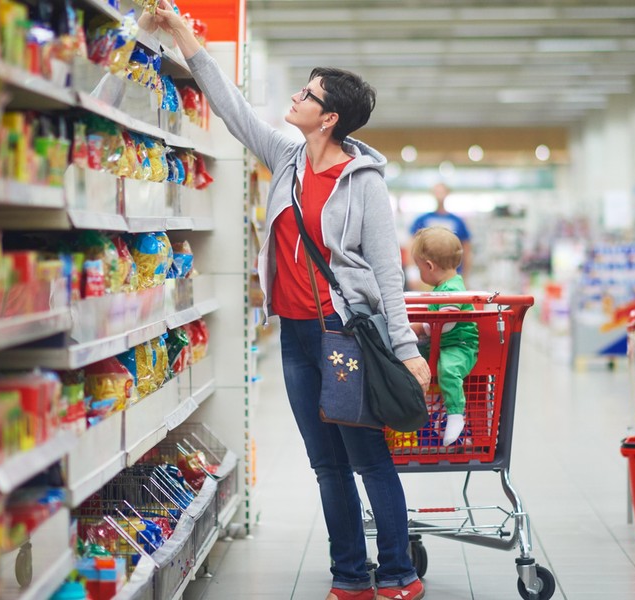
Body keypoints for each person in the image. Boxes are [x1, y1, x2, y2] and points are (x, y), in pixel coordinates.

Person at [143, 3, 430, 599]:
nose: (295, 97)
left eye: (307, 94)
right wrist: (181, 34)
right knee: (325, 464)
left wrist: (406, 349)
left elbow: (387, 271)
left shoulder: (367, 185)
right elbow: (231, 108)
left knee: (366, 457)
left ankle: (400, 572)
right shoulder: (286, 159)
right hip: (298, 338)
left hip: (345, 335)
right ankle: (350, 575)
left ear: (328, 118)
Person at [409, 228, 478, 446]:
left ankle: (456, 416)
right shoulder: (441, 288)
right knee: (411, 359)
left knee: (448, 369)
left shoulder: (453, 289)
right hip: (441, 344)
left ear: (429, 266)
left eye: (418, 267)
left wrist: (419, 328)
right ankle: (419, 407)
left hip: (460, 345)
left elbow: (446, 324)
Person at [410, 183, 471, 276]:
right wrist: (412, 273)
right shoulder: (422, 220)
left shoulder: (458, 221)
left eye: (442, 191)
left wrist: (466, 275)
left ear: (447, 193)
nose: (439, 194)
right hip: (427, 275)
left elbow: (466, 249)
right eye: (437, 191)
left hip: (452, 274)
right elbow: (412, 245)